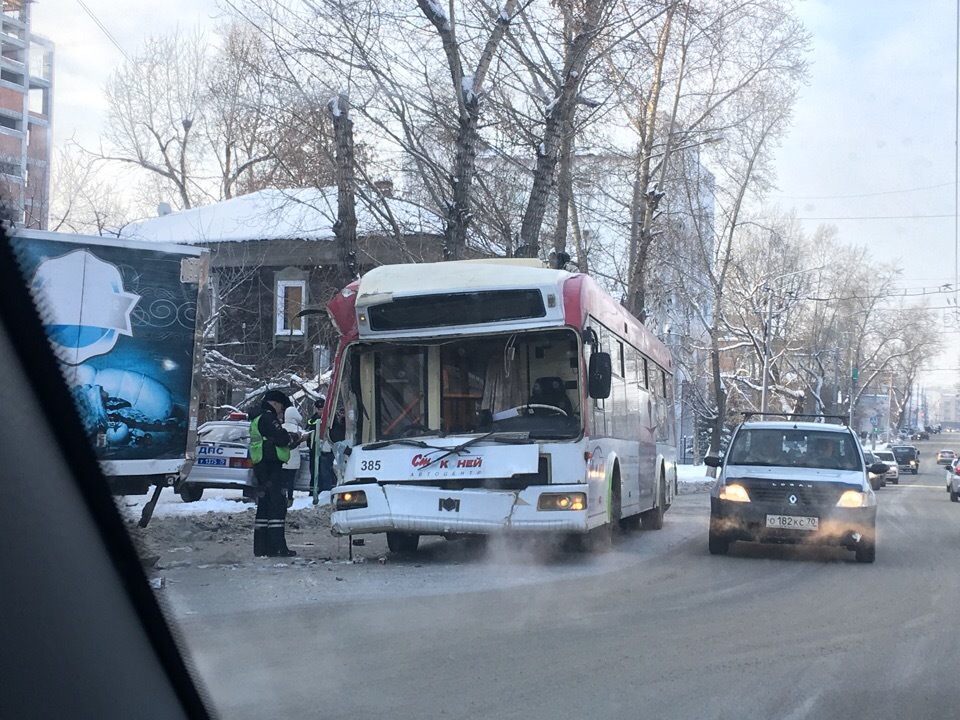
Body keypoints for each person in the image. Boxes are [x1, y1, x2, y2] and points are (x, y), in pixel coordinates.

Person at [250, 390, 301, 557]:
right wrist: (294, 437)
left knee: (264, 507)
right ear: (274, 403)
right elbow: (281, 438)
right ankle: (277, 547)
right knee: (277, 505)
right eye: (280, 407)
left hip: (261, 465)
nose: (280, 411)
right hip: (271, 466)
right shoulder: (268, 417)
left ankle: (261, 547)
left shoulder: (257, 417)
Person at [280, 404, 305, 507]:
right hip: (293, 460)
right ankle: (290, 498)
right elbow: (303, 445)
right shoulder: (297, 430)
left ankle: (281, 497)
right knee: (291, 481)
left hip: (282, 459)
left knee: (282, 480)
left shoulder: (281, 427)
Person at [305, 397, 324, 497]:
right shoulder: (312, 419)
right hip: (313, 448)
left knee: (323, 470)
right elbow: (308, 428)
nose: (320, 411)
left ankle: (323, 490)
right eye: (319, 409)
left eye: (322, 409)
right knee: (313, 471)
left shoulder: (329, 419)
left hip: (325, 449)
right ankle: (312, 491)